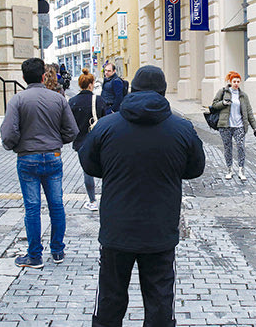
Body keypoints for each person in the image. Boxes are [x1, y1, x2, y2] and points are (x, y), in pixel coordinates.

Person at [78, 65, 205, 327]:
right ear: (163, 91)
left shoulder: (106, 126)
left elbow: (89, 164)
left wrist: (114, 170)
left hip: (117, 229)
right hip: (160, 230)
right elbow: (196, 168)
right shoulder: (182, 128)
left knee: (110, 301)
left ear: (132, 89)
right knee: (160, 302)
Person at [0, 58, 79, 268]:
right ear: (43, 76)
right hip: (53, 156)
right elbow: (72, 130)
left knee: (32, 208)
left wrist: (16, 145)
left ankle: (34, 255)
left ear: (24, 77)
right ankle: (58, 251)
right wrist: (55, 141)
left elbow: (8, 133)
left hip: (27, 157)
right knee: (56, 205)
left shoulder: (18, 100)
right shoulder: (58, 99)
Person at [68, 68, 106, 211]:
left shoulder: (72, 101)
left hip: (81, 142)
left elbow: (69, 124)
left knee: (87, 171)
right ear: (91, 84)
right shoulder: (99, 100)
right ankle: (106, 198)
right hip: (99, 140)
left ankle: (92, 200)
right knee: (105, 169)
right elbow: (106, 119)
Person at [212, 71, 256, 181]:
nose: (236, 83)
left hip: (240, 126)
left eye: (238, 81)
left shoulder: (243, 96)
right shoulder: (222, 92)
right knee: (228, 148)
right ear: (230, 81)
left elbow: (249, 111)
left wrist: (255, 127)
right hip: (225, 126)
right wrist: (223, 103)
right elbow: (214, 105)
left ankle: (241, 170)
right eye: (234, 81)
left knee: (241, 147)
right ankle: (229, 169)